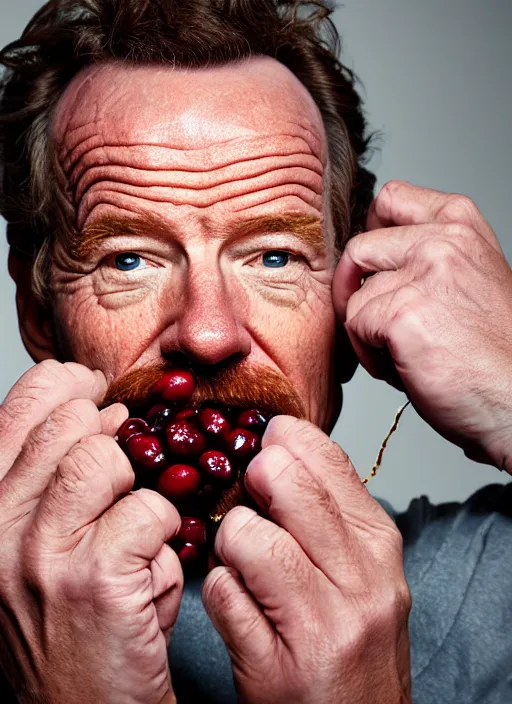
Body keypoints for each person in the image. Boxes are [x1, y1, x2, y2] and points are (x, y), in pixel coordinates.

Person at [1, 0, 511, 702]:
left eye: (274, 256)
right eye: (128, 260)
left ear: (349, 301)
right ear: (38, 313)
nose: (208, 334)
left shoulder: (487, 592)